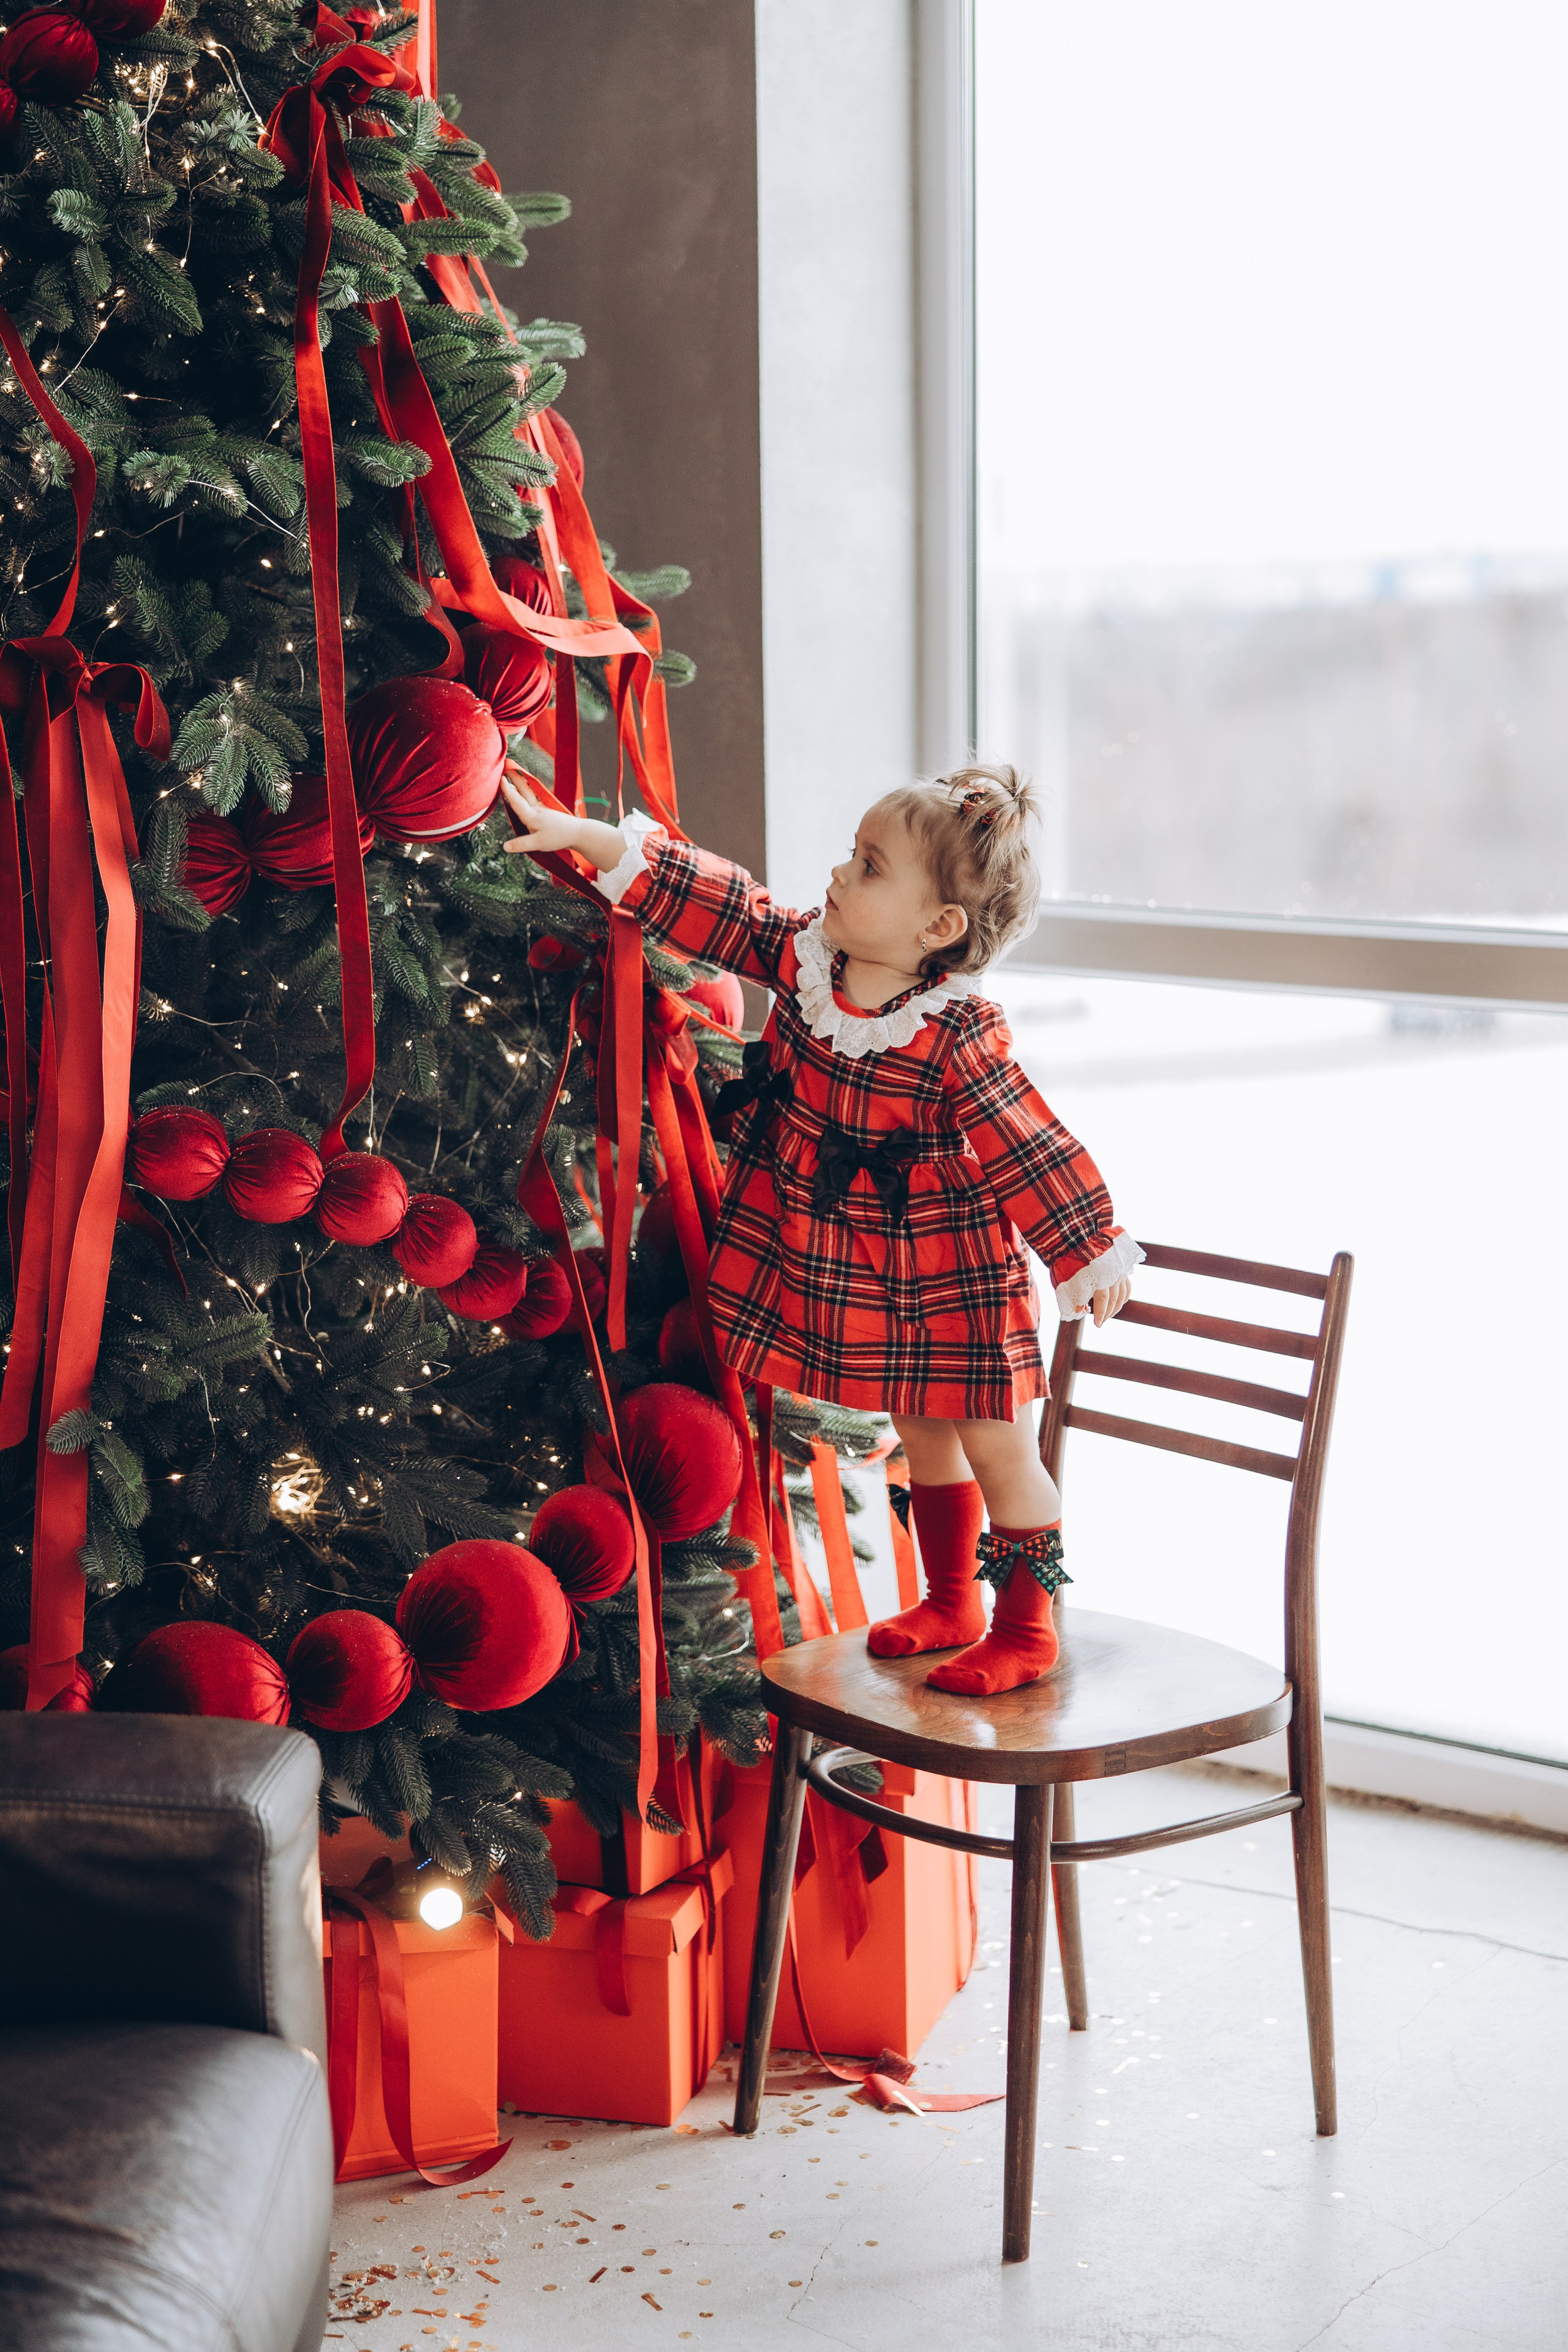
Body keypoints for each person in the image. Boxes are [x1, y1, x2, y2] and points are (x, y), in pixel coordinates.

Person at [500, 765, 1140, 1697]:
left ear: (938, 930)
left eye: (871, 866)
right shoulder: (811, 965)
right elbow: (723, 905)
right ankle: (952, 1599)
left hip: (953, 1279)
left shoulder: (955, 1034)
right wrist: (594, 842)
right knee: (921, 1434)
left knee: (999, 1450)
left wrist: (1085, 1246)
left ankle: (1027, 1627)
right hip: (872, 1272)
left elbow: (1025, 1140)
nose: (840, 874)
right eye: (851, 853)